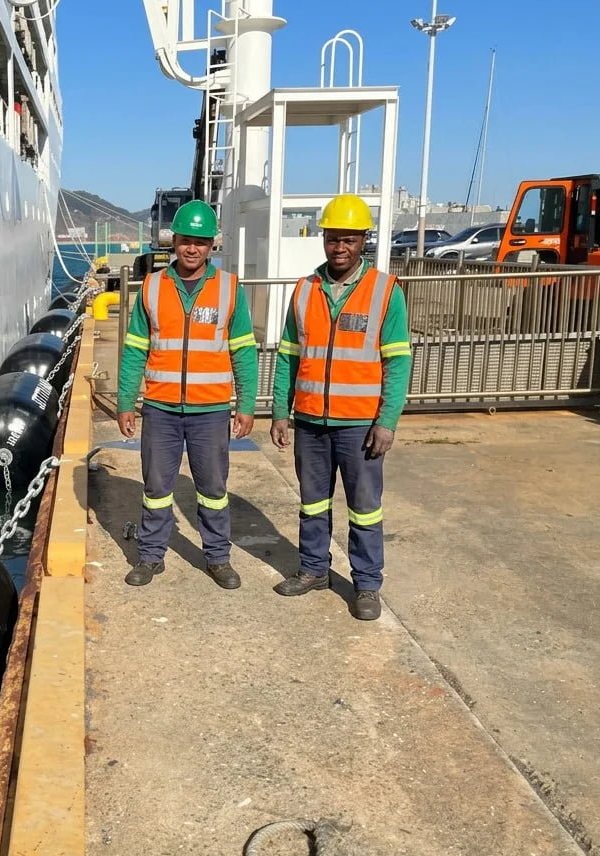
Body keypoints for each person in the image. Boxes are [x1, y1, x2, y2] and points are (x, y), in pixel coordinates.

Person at [269, 194, 412, 620]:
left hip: (360, 426)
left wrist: (387, 421)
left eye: (348, 239)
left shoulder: (384, 291)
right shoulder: (304, 290)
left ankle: (366, 584)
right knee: (312, 502)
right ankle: (314, 569)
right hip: (311, 420)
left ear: (363, 240)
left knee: (365, 507)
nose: (339, 248)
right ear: (324, 240)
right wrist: (280, 411)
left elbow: (398, 362)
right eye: (333, 239)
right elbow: (288, 355)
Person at [116, 200, 259, 589]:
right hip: (160, 409)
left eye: (200, 242)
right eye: (185, 241)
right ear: (173, 242)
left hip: (210, 411)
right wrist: (126, 401)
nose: (192, 249)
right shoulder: (153, 287)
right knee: (156, 488)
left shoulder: (229, 289)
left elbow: (244, 351)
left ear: (212, 245)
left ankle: (217, 558)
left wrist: (246, 404)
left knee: (212, 489)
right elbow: (135, 349)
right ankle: (150, 556)